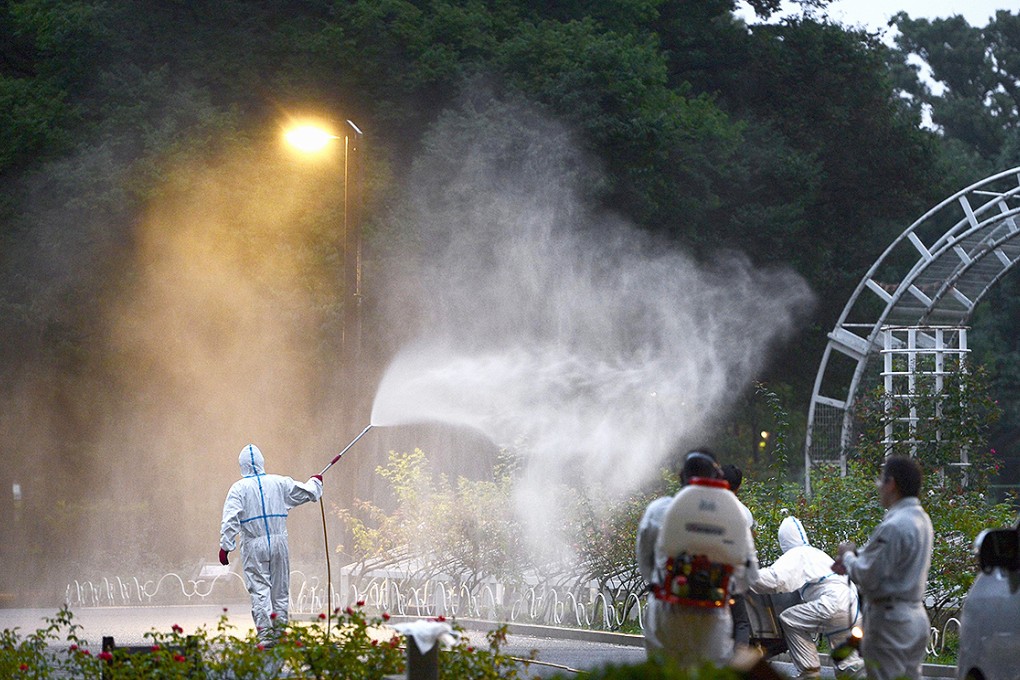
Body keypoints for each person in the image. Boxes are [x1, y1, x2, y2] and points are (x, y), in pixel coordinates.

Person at [636, 449, 759, 668]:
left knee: (665, 670)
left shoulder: (658, 511)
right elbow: (748, 575)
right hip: (713, 616)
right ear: (717, 477)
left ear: (681, 476)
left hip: (666, 613)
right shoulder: (736, 515)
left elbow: (645, 563)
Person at [832, 456, 933, 680]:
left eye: (881, 480)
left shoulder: (894, 525)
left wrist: (848, 555)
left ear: (892, 483)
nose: (879, 487)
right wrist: (857, 559)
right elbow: (888, 563)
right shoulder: (922, 519)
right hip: (915, 617)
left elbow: (868, 575)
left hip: (890, 622)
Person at [220, 443, 324, 643]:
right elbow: (306, 492)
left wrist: (226, 546)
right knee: (280, 589)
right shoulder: (279, 483)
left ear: (242, 465)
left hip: (253, 544)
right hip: (279, 542)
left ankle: (266, 635)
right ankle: (280, 632)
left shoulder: (238, 489)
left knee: (260, 589)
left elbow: (230, 518)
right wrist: (315, 482)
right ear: (261, 462)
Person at [751, 516, 865, 679]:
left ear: (783, 540)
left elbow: (774, 579)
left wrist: (746, 573)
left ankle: (809, 671)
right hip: (851, 605)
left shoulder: (798, 554)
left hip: (832, 603)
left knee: (789, 619)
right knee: (850, 664)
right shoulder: (816, 553)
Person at [720, 463, 754, 650]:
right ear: (738, 486)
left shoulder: (708, 506)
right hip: (733, 574)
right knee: (741, 622)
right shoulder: (744, 513)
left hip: (708, 571)